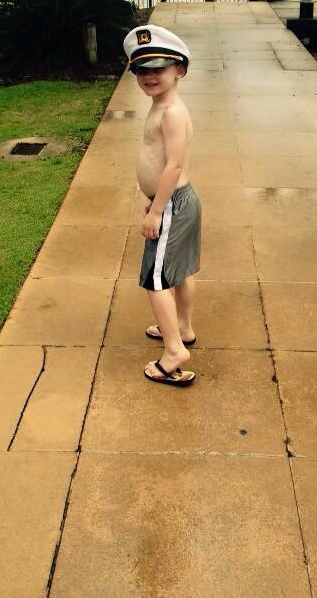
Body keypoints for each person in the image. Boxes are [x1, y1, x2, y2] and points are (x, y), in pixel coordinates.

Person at [123, 24, 201, 388]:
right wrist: (151, 198)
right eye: (142, 69)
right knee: (179, 272)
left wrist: (157, 210)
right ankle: (183, 328)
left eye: (159, 68)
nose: (149, 76)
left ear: (179, 69)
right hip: (174, 200)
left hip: (172, 205)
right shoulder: (161, 105)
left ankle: (173, 352)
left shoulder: (172, 112)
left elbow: (173, 165)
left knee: (155, 280)